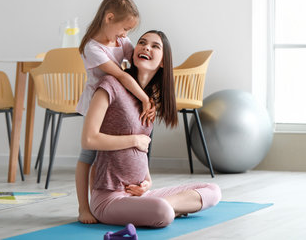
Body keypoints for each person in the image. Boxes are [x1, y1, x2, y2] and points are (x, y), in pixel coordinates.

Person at [81, 30, 221, 227]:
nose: (146, 47)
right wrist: (135, 140)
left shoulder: (149, 102)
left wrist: (148, 182)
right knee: (162, 212)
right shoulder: (110, 85)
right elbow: (89, 140)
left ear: (163, 61)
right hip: (109, 198)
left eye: (155, 46)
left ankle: (158, 206)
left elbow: (141, 153)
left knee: (213, 190)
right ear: (133, 51)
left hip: (140, 195)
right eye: (142, 42)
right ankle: (165, 207)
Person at [76, 0, 155, 224]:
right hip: (97, 105)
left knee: (106, 158)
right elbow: (121, 76)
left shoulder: (120, 41)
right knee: (88, 156)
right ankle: (85, 207)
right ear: (109, 18)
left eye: (129, 31)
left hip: (117, 105)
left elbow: (137, 60)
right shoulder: (93, 48)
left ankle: (108, 199)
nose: (125, 35)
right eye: (124, 29)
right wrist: (144, 98)